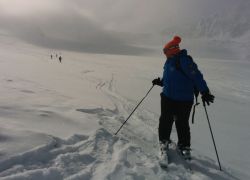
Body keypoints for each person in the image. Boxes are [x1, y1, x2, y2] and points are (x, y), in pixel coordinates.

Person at [152, 36, 214, 158]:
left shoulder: (184, 61)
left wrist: (204, 91)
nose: (165, 55)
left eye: (165, 52)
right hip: (167, 97)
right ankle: (164, 142)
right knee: (165, 120)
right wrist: (161, 82)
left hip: (184, 99)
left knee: (182, 123)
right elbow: (169, 76)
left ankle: (184, 146)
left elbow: (196, 76)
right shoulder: (169, 61)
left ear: (171, 49)